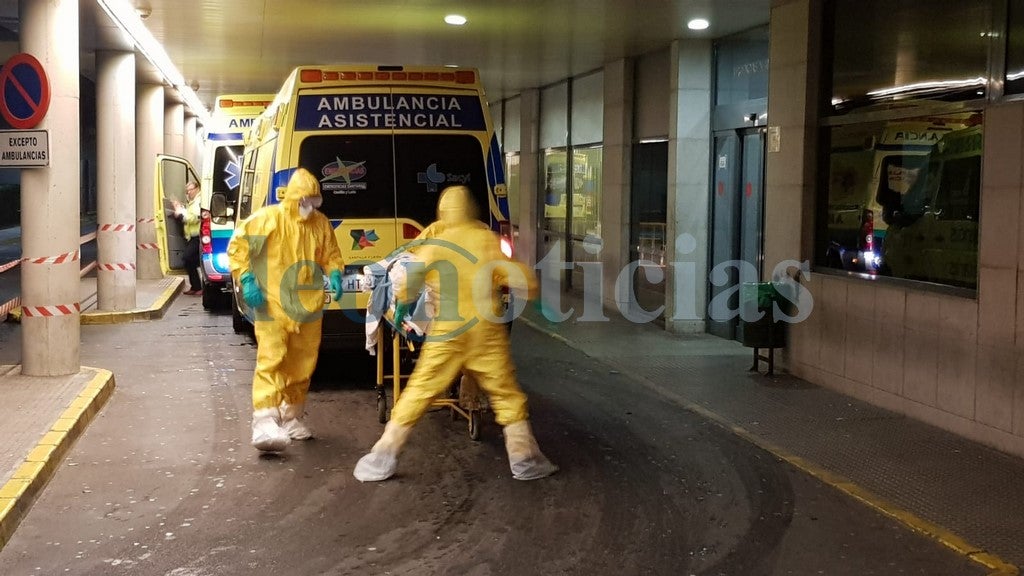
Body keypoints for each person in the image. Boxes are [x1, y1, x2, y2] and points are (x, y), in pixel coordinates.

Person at [353, 185, 558, 482]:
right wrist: (537, 295)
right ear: (472, 208)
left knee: (420, 389)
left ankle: (383, 454)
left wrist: (402, 306)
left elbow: (409, 281)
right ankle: (524, 459)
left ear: (443, 211)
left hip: (447, 331)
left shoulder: (437, 243)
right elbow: (517, 276)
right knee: (505, 392)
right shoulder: (486, 240)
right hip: (486, 332)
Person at [227, 168, 346, 453]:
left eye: (314, 200)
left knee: (303, 364)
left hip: (308, 307)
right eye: (304, 199)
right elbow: (238, 246)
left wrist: (336, 272)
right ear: (293, 197)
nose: (309, 206)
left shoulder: (320, 224)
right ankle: (265, 421)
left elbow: (331, 254)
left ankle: (291, 416)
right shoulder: (269, 219)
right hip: (272, 304)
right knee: (272, 360)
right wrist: (246, 278)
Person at [173, 180, 204, 295]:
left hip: (198, 235)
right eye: (187, 191)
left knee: (188, 258)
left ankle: (198, 287)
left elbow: (195, 217)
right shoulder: (192, 202)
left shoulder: (199, 201)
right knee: (189, 260)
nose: (189, 192)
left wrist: (182, 214)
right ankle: (195, 286)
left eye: (191, 190)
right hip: (192, 236)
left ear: (197, 189)